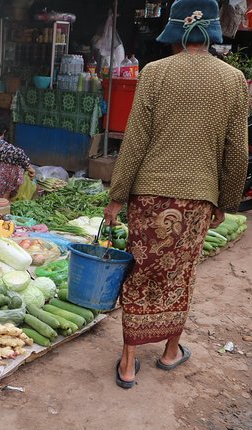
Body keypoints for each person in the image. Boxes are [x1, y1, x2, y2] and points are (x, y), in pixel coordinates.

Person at [103, 0, 249, 389]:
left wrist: (117, 195)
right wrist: (227, 202)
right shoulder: (234, 80)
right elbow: (237, 151)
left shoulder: (155, 73)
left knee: (142, 272)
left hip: (149, 198)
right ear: (213, 33)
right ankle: (170, 352)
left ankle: (129, 363)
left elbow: (134, 141)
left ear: (175, 34)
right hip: (198, 199)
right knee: (180, 275)